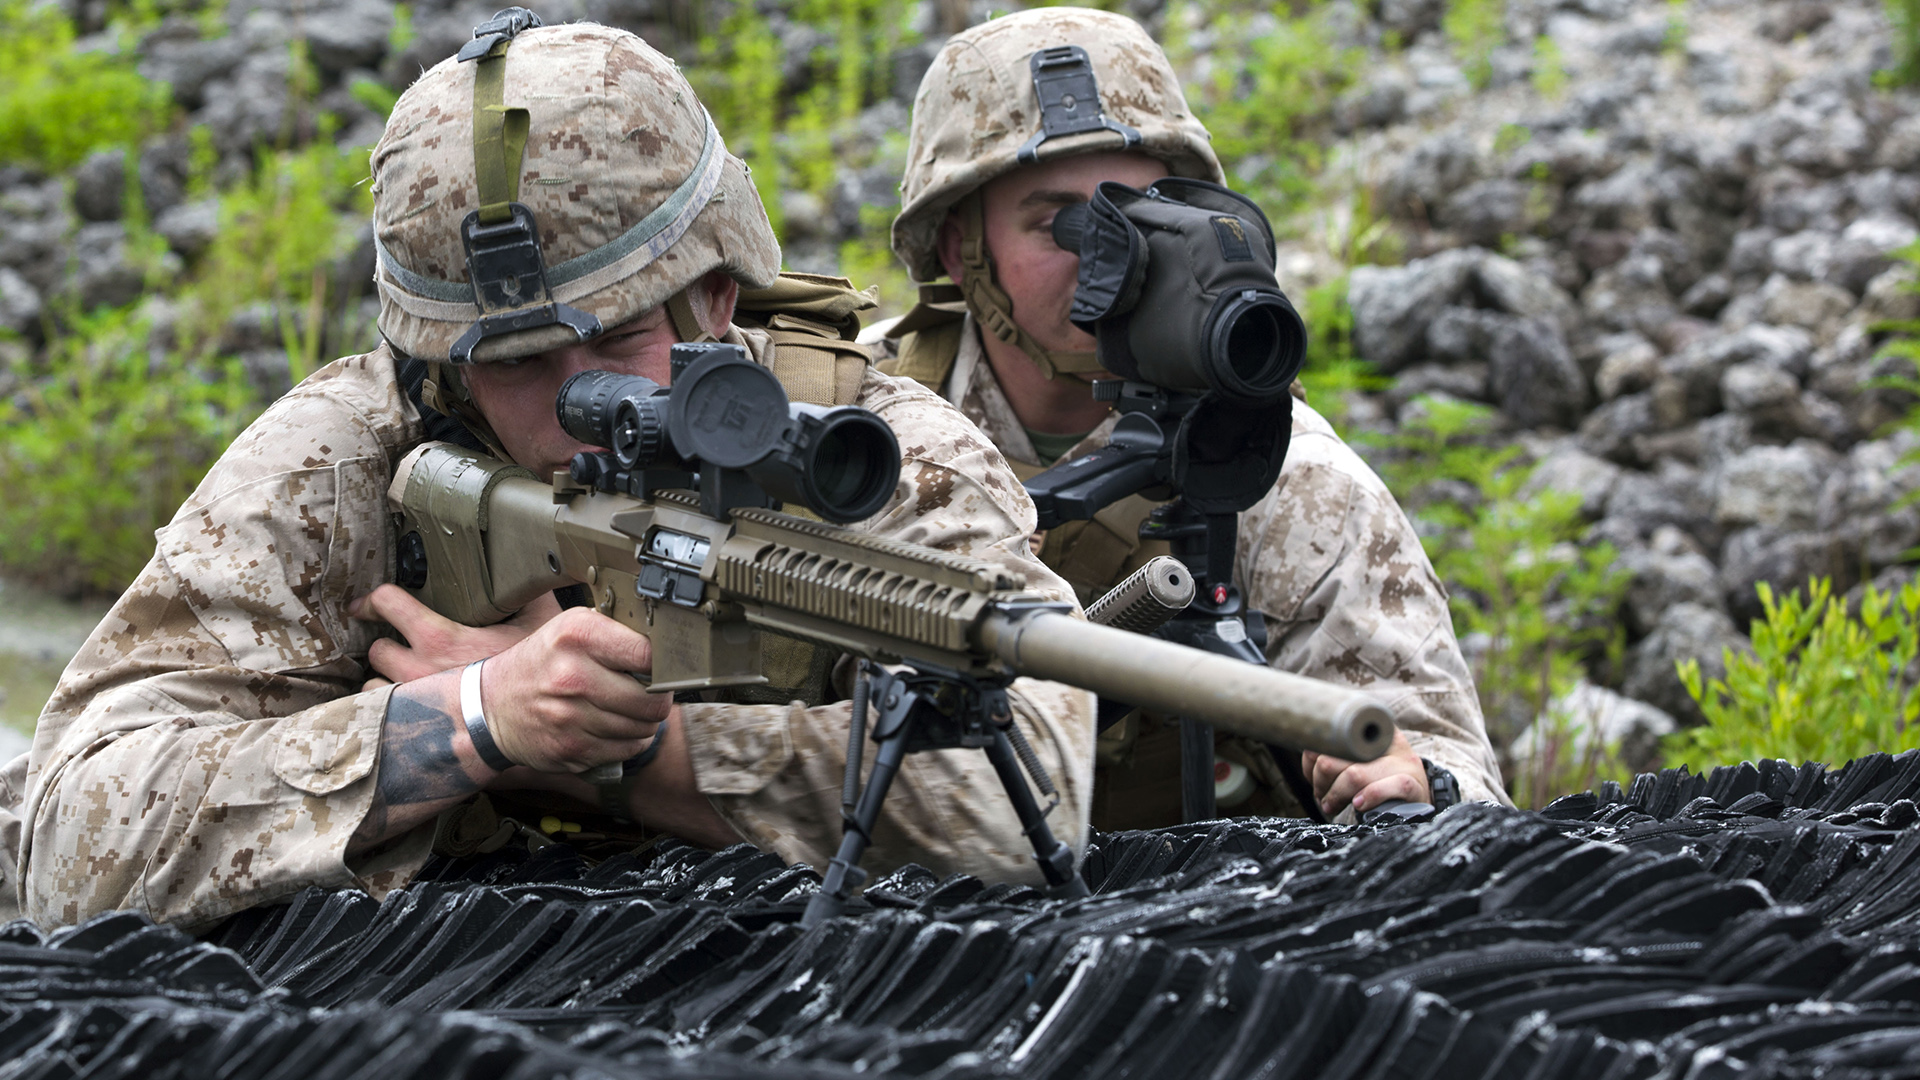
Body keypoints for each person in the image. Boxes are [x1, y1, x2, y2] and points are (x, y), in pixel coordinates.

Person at [0, 16, 1093, 931]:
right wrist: (469, 720)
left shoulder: (867, 452)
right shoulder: (346, 454)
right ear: (441, 361)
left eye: (618, 339)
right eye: (517, 364)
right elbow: (72, 843)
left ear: (716, 293)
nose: (578, 401)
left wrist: (639, 755)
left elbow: (1025, 799)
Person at [875, 7, 1508, 829]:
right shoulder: (862, 421)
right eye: (1059, 222)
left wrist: (1414, 782)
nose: (1111, 257)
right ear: (961, 245)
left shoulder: (1269, 469)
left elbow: (1442, 759)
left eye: (1140, 217)